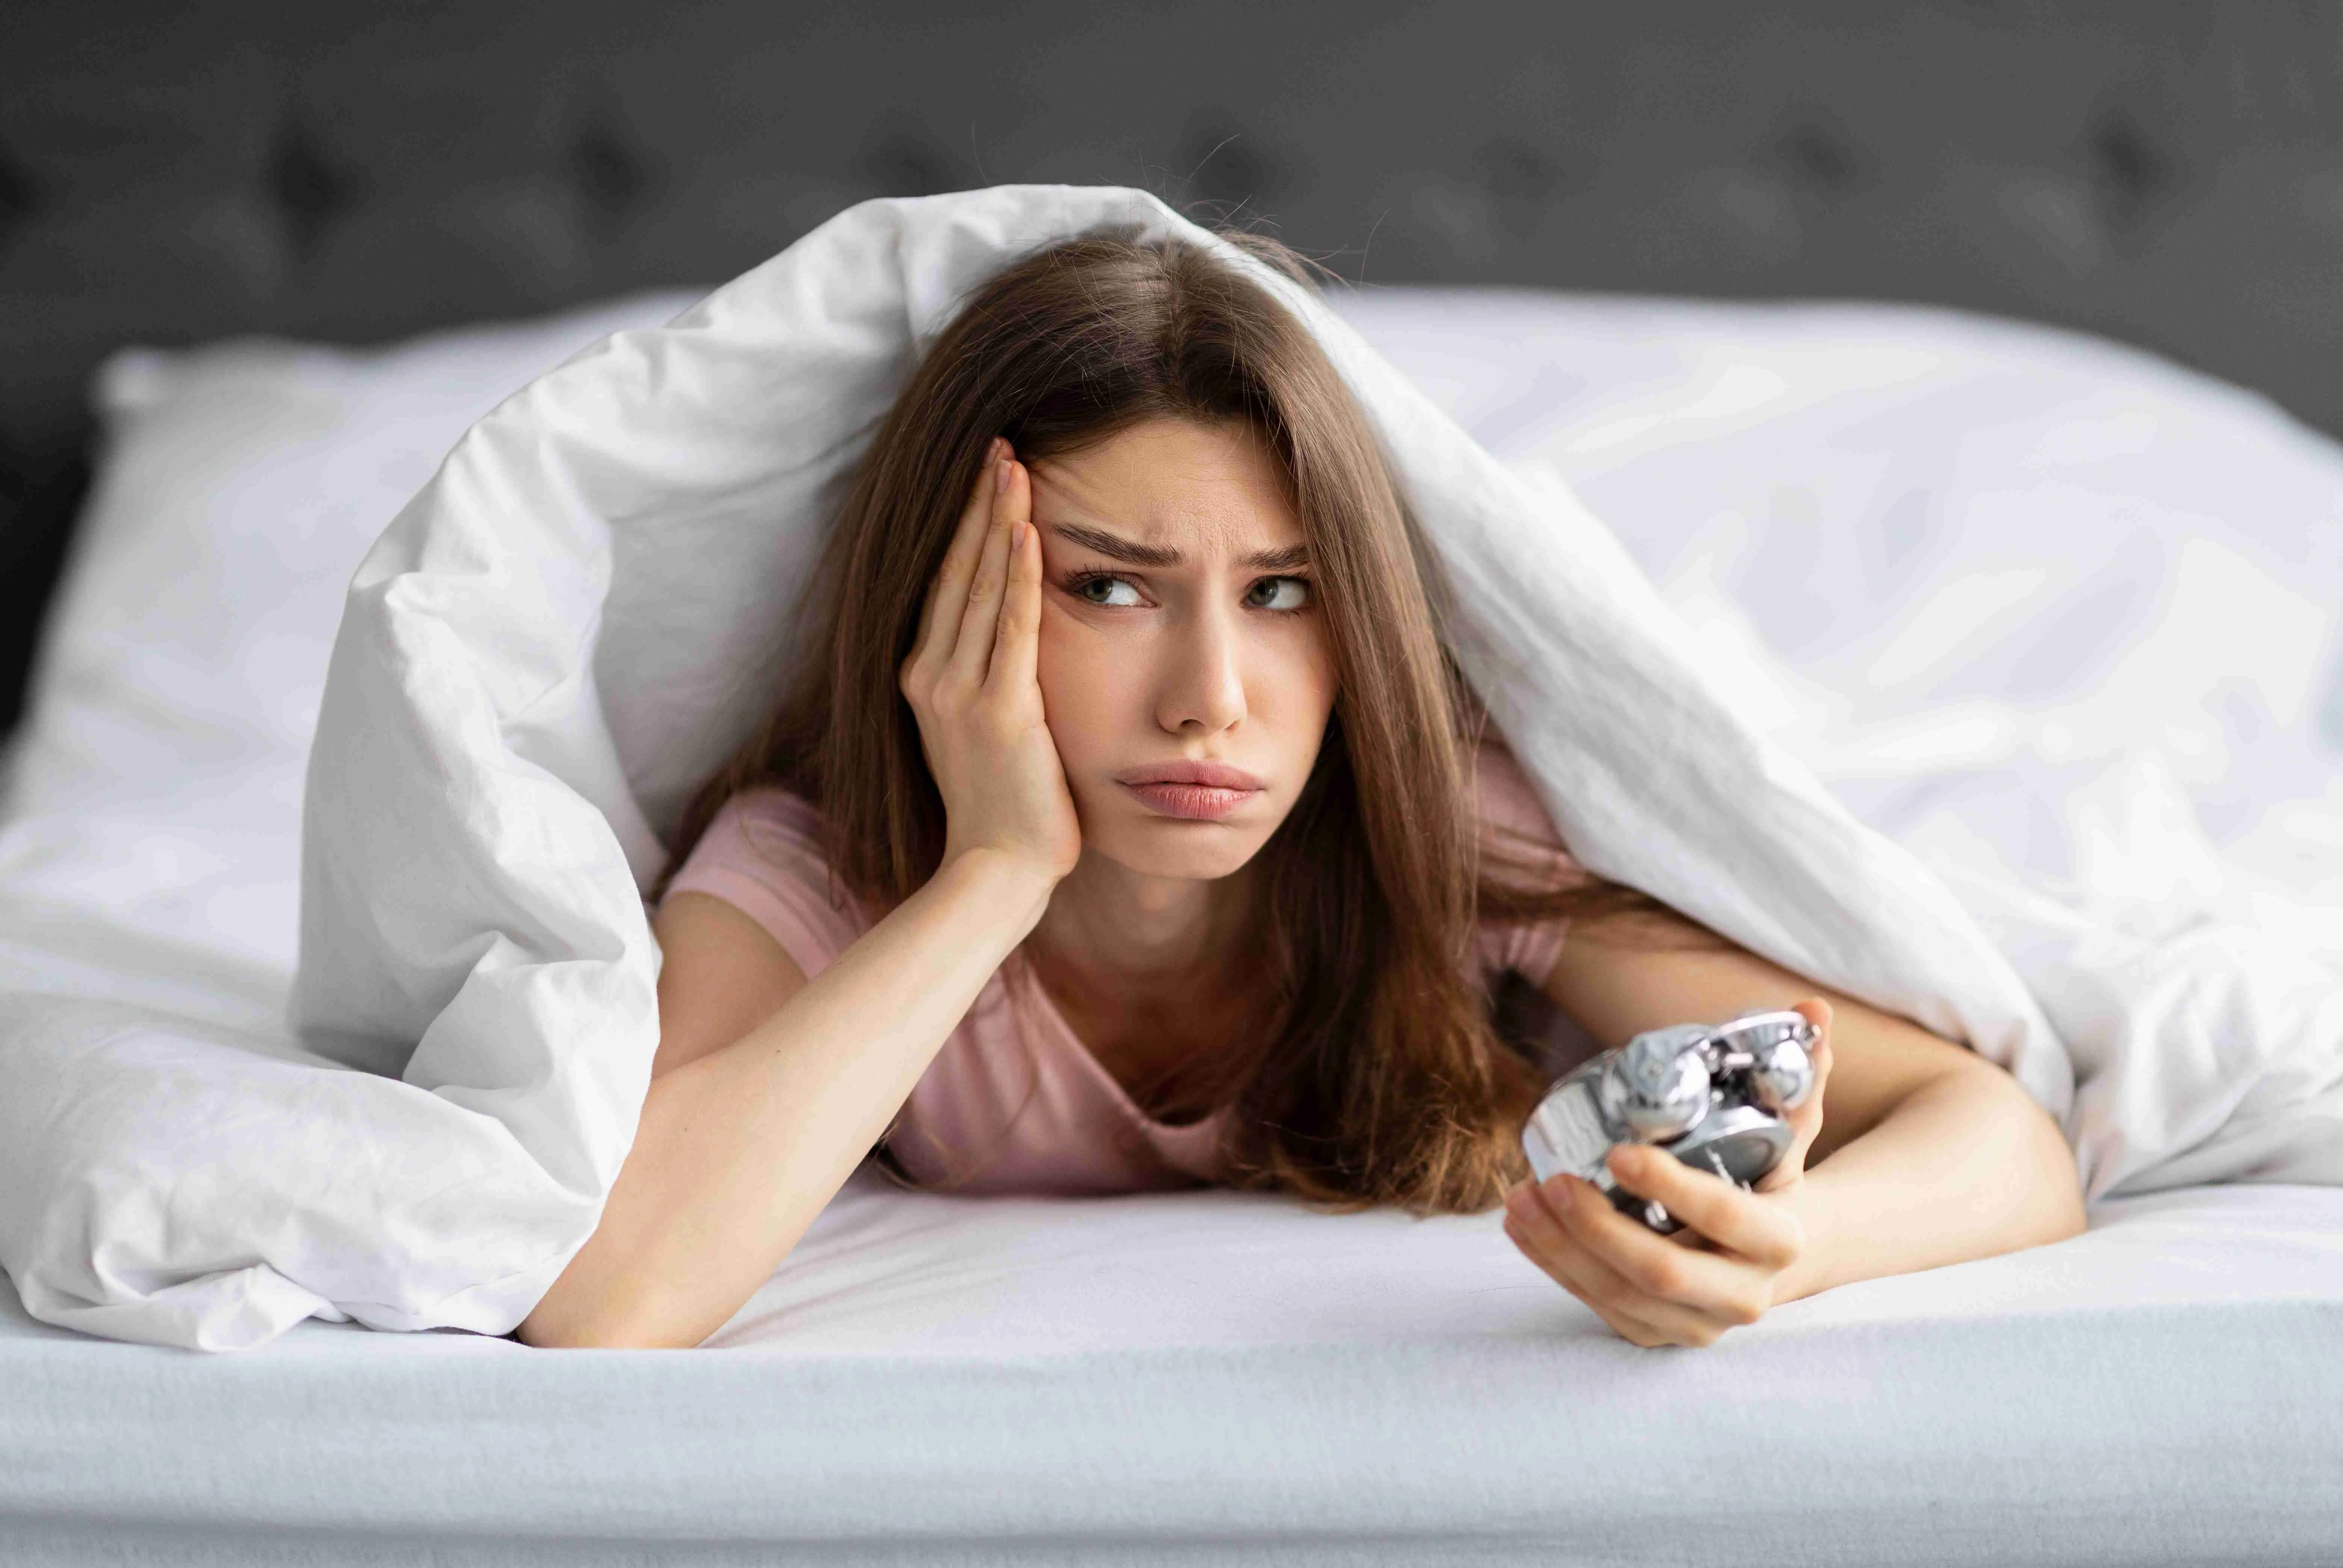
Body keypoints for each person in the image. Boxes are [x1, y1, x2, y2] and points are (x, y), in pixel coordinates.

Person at [515, 229, 2085, 1352]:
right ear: (953, 600)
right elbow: (609, 1294)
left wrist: (1788, 1250)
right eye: (1110, 590)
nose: (1211, 699)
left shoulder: (1436, 831)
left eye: (1283, 595)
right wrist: (992, 872)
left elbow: (1998, 1133)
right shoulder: (826, 867)